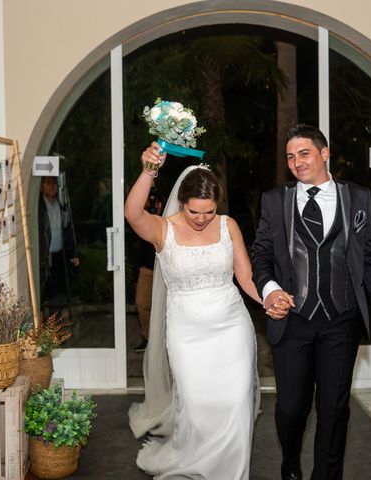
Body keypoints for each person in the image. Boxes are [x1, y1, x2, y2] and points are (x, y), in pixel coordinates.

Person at [251, 124, 371, 480]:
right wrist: (270, 289)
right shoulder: (275, 200)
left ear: (324, 152)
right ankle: (290, 467)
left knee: (334, 409)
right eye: (290, 156)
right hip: (293, 320)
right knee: (290, 409)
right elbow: (261, 254)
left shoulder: (357, 197)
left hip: (341, 319)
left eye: (304, 153)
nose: (297, 162)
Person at [126, 142, 262, 479]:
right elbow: (132, 213)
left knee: (235, 404)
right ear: (181, 204)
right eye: (194, 212)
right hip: (187, 333)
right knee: (198, 405)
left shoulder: (228, 226)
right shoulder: (162, 229)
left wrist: (269, 299)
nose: (202, 219)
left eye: (209, 211)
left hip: (232, 328)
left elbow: (245, 276)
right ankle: (193, 461)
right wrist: (148, 170)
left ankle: (233, 472)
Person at [38, 176, 79, 305]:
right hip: (44, 256)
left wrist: (73, 253)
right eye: (48, 183)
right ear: (41, 186)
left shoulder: (61, 206)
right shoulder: (38, 207)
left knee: (57, 292)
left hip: (59, 255)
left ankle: (54, 321)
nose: (52, 186)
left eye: (54, 183)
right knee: (44, 291)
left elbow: (68, 229)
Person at [133, 190, 162, 353]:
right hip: (147, 268)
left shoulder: (168, 216)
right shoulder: (141, 218)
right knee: (142, 303)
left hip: (165, 270)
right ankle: (147, 338)